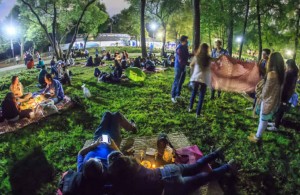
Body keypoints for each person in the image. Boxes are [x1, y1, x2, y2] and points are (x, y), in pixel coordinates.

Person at [108, 149, 236, 195]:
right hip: (168, 169)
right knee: (196, 166)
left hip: (171, 186)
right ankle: (216, 153)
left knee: (204, 178)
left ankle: (228, 167)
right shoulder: (133, 162)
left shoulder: (124, 186)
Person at [248, 52, 285, 142]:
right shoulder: (281, 72)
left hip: (268, 100)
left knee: (263, 119)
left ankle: (257, 137)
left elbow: (266, 89)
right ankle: (258, 135)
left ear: (272, 61)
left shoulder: (272, 73)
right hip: (274, 99)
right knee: (265, 119)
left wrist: (259, 95)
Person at [267, 59, 299, 131]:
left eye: (287, 64)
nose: (286, 66)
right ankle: (275, 122)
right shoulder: (294, 72)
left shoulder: (290, 73)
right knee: (280, 109)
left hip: (284, 93)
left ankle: (276, 126)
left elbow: (285, 84)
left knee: (280, 109)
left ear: (289, 65)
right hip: (287, 93)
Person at [189, 43, 217, 118]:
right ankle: (198, 114)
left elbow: (191, 65)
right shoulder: (209, 58)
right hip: (204, 79)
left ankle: (190, 108)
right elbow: (216, 60)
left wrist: (193, 70)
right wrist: (222, 56)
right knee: (201, 96)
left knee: (194, 93)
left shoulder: (197, 57)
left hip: (196, 78)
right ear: (207, 49)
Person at [171, 35, 190, 103]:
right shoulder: (179, 48)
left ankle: (178, 94)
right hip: (179, 66)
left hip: (183, 66)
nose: (187, 42)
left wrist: (194, 54)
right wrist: (189, 64)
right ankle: (173, 96)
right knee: (176, 81)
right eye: (186, 40)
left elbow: (187, 55)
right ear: (183, 41)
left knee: (181, 81)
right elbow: (180, 60)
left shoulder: (185, 47)